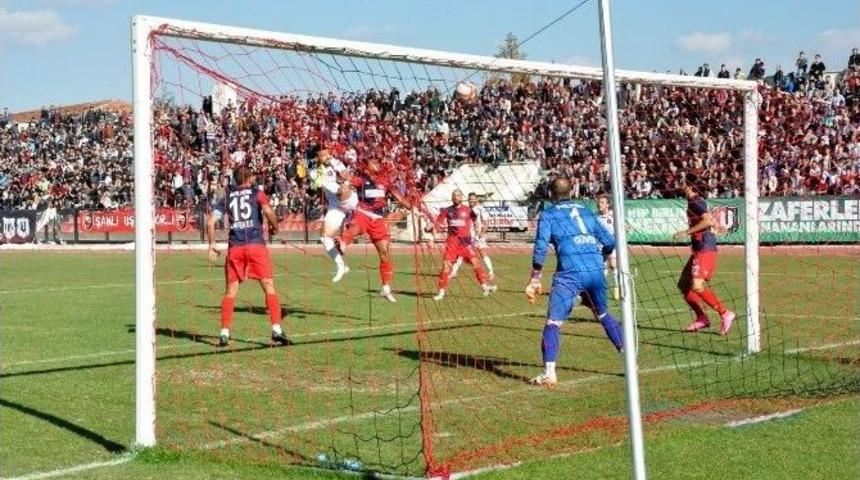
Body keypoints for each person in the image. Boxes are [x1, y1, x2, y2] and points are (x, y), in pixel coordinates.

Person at [525, 178, 623, 386]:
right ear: (571, 192)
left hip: (570, 273)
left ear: (551, 195)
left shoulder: (549, 214)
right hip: (595, 270)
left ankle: (549, 372)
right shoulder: (587, 210)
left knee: (553, 322)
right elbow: (610, 241)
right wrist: (602, 257)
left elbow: (541, 245)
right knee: (603, 314)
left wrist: (535, 276)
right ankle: (629, 360)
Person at [207, 166, 291, 347]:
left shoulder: (227, 196)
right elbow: (268, 212)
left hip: (235, 248)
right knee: (269, 287)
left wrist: (212, 245)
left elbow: (211, 221)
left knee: (230, 292)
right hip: (255, 245)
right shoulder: (257, 193)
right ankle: (276, 329)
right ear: (249, 178)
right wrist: (275, 228)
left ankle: (224, 333)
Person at [339, 159, 411, 302]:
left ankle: (385, 288)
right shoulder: (361, 180)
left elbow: (399, 198)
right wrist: (345, 177)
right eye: (372, 162)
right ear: (367, 167)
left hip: (378, 219)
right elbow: (346, 179)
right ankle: (341, 244)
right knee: (355, 228)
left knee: (385, 253)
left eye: (377, 162)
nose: (375, 164)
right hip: (363, 213)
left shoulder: (385, 181)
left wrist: (413, 208)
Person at [673, 173, 736, 335]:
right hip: (699, 248)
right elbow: (709, 219)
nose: (681, 185)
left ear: (690, 186)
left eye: (683, 183)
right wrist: (717, 225)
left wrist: (686, 232)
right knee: (684, 285)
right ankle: (702, 318)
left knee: (697, 285)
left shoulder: (694, 201)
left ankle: (725, 313)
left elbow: (707, 220)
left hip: (705, 248)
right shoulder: (695, 201)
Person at [431, 189, 496, 301]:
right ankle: (441, 292)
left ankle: (485, 287)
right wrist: (433, 232)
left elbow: (476, 221)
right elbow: (438, 224)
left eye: (458, 196)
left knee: (476, 263)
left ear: (461, 197)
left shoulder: (468, 210)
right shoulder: (446, 211)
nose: (456, 197)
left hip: (465, 242)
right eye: (454, 196)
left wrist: (477, 233)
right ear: (452, 198)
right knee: (446, 266)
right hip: (452, 242)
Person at [311, 146, 357, 282]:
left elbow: (346, 177)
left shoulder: (336, 162)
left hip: (349, 200)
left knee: (346, 193)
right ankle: (341, 266)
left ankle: (344, 236)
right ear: (317, 158)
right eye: (322, 155)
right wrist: (346, 180)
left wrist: (343, 173)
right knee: (325, 237)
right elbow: (337, 191)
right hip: (336, 206)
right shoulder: (315, 173)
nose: (326, 156)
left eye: (327, 154)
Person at [449, 192, 495, 282]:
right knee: (461, 253)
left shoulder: (481, 209)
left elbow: (486, 222)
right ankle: (454, 272)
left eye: (473, 199)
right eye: (470, 199)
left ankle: (491, 272)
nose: (471, 200)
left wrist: (482, 233)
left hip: (477, 235)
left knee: (482, 252)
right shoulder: (467, 209)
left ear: (476, 199)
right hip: (468, 235)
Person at [595, 194, 619, 300]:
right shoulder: (595, 217)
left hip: (612, 245)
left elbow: (623, 225)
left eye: (602, 202)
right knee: (601, 269)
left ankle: (618, 287)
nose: (599, 204)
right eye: (599, 202)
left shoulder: (613, 215)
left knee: (613, 264)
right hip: (600, 247)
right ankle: (602, 290)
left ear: (608, 204)